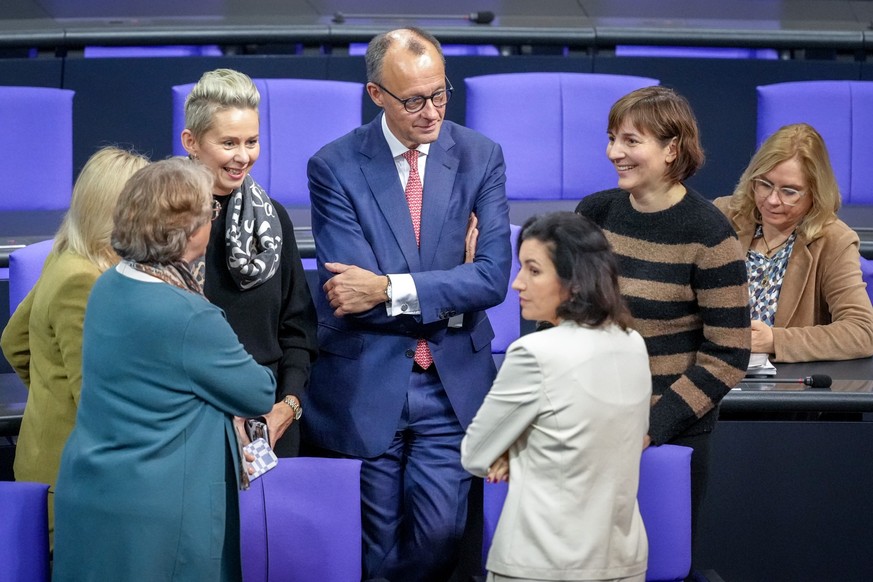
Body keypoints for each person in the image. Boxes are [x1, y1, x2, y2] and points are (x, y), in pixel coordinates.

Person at [304, 27, 511, 581]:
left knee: (442, 533)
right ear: (377, 95)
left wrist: (389, 286)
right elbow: (351, 297)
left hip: (451, 382)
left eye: (440, 94)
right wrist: (452, 282)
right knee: (373, 546)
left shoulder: (481, 156)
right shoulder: (334, 166)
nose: (431, 111)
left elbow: (492, 279)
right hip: (368, 382)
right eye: (414, 100)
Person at [52, 158, 276, 581]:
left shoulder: (109, 283)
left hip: (96, 494)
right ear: (189, 231)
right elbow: (258, 391)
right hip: (162, 518)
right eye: (209, 211)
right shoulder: (189, 315)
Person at [574, 86, 751, 561]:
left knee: (657, 565)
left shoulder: (710, 234)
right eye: (612, 138)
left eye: (631, 141)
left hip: (666, 432)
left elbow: (729, 353)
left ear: (672, 148)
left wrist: (651, 425)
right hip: (588, 422)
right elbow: (564, 315)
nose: (614, 152)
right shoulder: (594, 214)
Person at [462, 212, 651, 582]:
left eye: (533, 270)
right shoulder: (633, 343)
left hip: (541, 563)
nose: (517, 283)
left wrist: (514, 452)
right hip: (622, 562)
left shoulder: (534, 352)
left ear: (574, 282)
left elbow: (475, 454)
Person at [0, 146, 149, 543]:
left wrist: (50, 394)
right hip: (76, 483)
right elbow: (97, 401)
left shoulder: (65, 254)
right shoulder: (86, 282)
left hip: (48, 461)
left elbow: (13, 340)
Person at [181, 68, 317, 457]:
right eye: (228, 143)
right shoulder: (162, 224)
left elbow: (298, 330)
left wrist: (286, 407)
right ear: (191, 142)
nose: (244, 157)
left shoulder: (273, 219)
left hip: (269, 424)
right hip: (189, 424)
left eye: (252, 142)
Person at [714, 122, 873, 362]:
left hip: (783, 384)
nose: (772, 200)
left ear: (815, 193)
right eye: (765, 184)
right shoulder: (723, 216)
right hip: (712, 367)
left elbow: (862, 332)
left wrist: (775, 341)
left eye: (789, 192)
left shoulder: (833, 242)